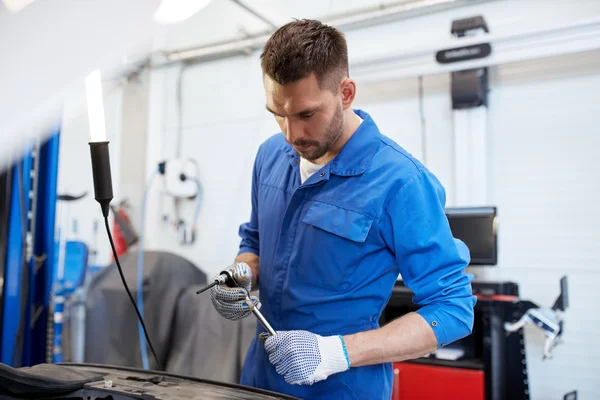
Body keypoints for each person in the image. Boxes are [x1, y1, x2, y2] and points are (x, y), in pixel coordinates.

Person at [209, 18, 476, 399]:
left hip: (342, 387)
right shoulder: (270, 155)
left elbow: (453, 308)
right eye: (277, 113)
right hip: (260, 379)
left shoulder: (402, 183)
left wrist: (337, 353)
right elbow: (254, 238)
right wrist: (243, 275)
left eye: (306, 114)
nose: (292, 134)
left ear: (346, 93)